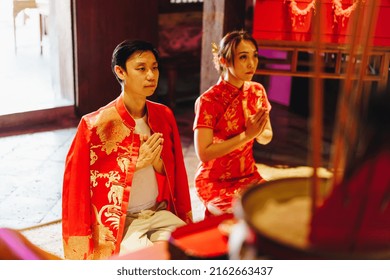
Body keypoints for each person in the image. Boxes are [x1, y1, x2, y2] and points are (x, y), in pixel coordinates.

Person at [62, 39, 193, 260]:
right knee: (146, 263)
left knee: (191, 250)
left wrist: (156, 162)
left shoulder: (164, 116)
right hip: (122, 223)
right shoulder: (94, 125)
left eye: (154, 67)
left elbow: (174, 173)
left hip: (158, 212)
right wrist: (135, 165)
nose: (151, 75)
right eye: (141, 68)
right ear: (120, 71)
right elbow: (80, 186)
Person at [193, 30, 273, 217]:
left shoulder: (257, 90)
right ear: (224, 61)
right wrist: (248, 135)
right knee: (238, 219)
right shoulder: (209, 101)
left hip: (249, 175)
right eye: (243, 57)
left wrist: (259, 131)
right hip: (214, 181)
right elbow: (204, 153)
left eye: (254, 56)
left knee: (275, 210)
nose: (251, 63)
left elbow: (266, 137)